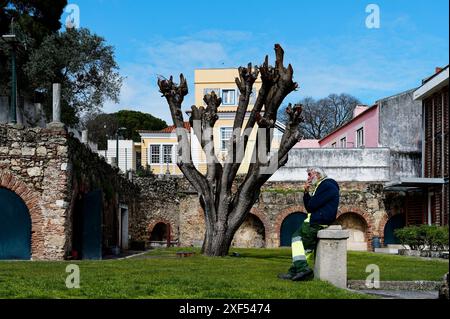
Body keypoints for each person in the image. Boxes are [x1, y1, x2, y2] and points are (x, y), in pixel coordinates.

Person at [278, 167, 340, 281]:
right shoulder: (322, 186)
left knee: (296, 239)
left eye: (310, 175)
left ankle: (302, 270)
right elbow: (309, 207)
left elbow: (311, 206)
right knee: (305, 249)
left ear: (317, 174)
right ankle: (295, 271)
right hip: (317, 220)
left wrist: (308, 196)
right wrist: (306, 192)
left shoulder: (326, 185)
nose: (308, 178)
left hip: (317, 221)